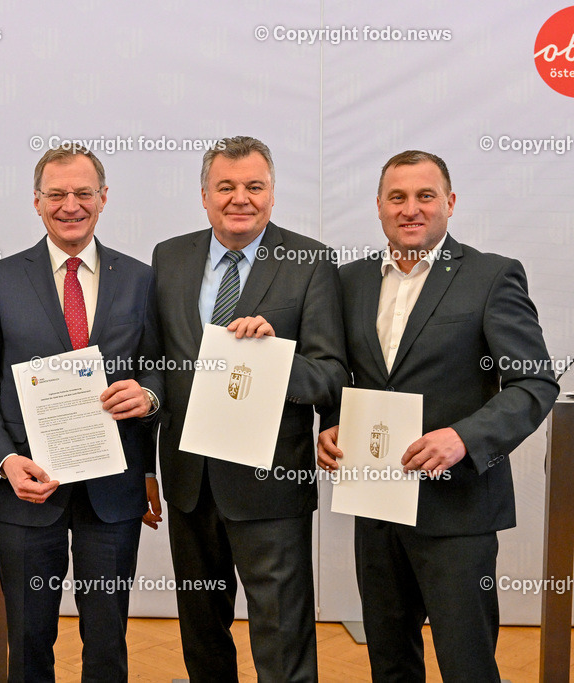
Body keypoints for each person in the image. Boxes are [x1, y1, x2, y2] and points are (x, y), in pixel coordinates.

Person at [317, 150, 559, 682]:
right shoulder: (348, 280)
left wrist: (464, 438)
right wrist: (330, 422)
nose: (411, 209)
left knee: (466, 663)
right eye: (397, 197)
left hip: (459, 511)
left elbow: (535, 382)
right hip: (377, 507)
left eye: (425, 196)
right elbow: (340, 373)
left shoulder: (492, 276)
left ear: (449, 203)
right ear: (379, 207)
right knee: (389, 661)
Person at [0, 144, 163, 681]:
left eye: (82, 193)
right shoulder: (0, 280)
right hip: (28, 486)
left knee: (107, 638)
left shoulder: (141, 279)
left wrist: (149, 396)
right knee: (27, 639)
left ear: (103, 198)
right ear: (36, 201)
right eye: (56, 194)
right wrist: (3, 460)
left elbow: (161, 370)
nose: (70, 205)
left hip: (112, 492)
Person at [151, 136, 347, 682]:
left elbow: (330, 375)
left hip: (270, 484)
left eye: (254, 186)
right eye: (226, 187)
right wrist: (146, 465)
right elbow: (155, 364)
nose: (241, 198)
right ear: (205, 195)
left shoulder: (309, 261)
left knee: (281, 633)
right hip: (189, 482)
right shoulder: (169, 257)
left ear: (273, 194)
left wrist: (274, 357)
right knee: (201, 631)